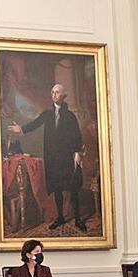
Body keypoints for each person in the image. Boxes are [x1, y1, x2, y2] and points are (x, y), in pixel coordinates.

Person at [8, 83, 85, 231]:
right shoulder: (47, 113)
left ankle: (78, 219)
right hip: (53, 158)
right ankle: (60, 217)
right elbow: (35, 124)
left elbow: (77, 135)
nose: (54, 95)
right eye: (52, 92)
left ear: (63, 96)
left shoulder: (70, 116)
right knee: (57, 188)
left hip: (68, 157)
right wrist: (21, 129)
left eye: (57, 92)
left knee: (73, 188)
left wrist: (77, 153)